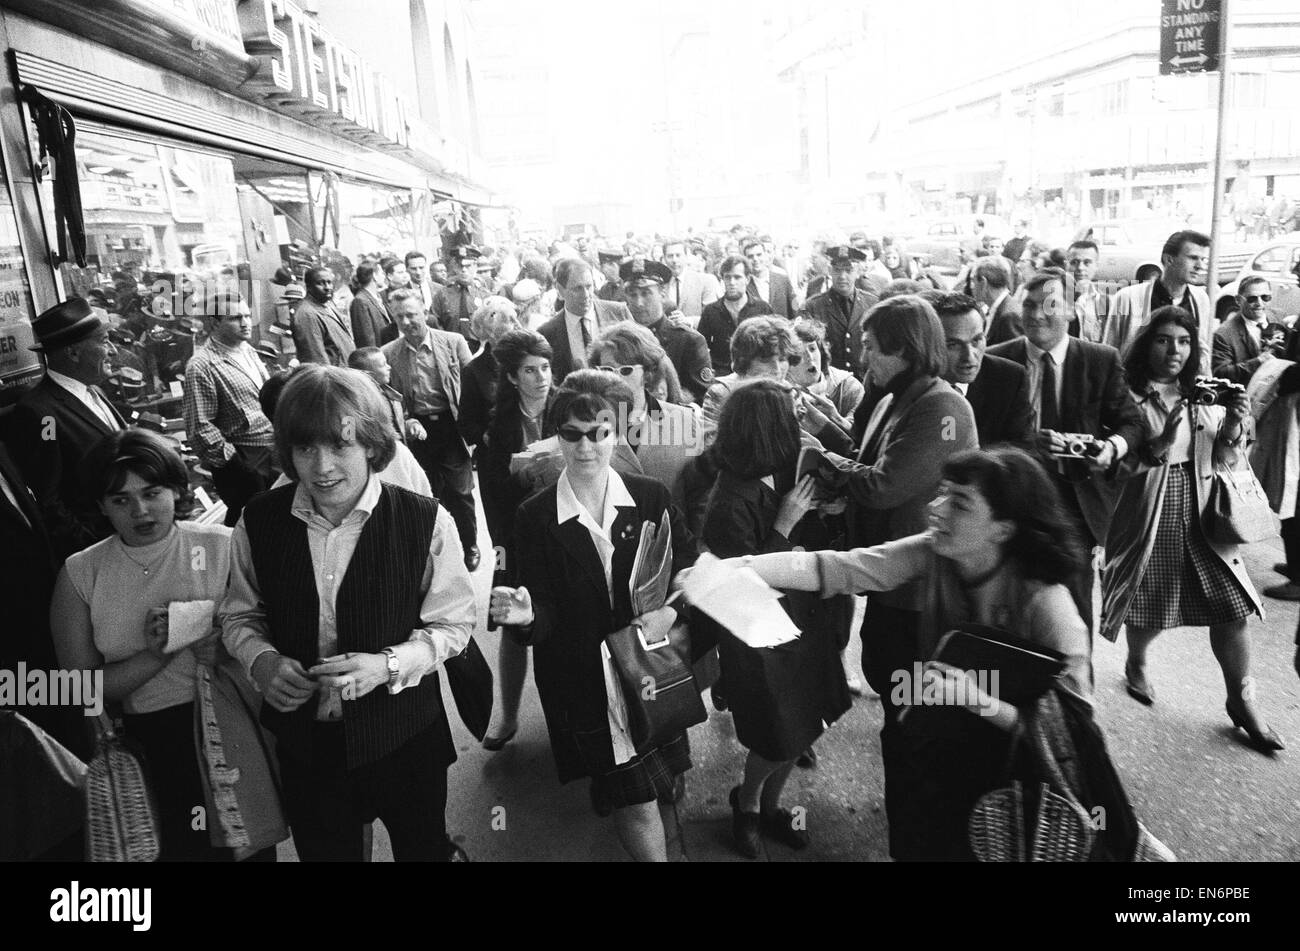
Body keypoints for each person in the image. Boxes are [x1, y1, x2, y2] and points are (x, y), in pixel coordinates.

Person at [695, 446, 1125, 860]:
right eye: (941, 492)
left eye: (959, 503)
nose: (935, 509)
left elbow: (1074, 730)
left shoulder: (1050, 607)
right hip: (949, 752)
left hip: (1017, 778)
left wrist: (977, 700)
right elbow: (842, 568)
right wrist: (738, 568)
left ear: (1004, 528)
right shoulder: (937, 551)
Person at [221, 365, 475, 861]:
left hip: (406, 738)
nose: (322, 467)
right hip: (307, 749)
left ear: (374, 446)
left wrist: (389, 665)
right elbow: (239, 615)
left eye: (340, 446)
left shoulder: (424, 520)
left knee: (423, 850)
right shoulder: (258, 521)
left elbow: (455, 623)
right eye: (305, 448)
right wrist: (262, 661)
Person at [489, 384, 696, 862]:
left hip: (649, 670)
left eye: (599, 432)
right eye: (572, 434)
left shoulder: (650, 496)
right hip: (588, 681)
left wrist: (672, 608)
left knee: (657, 785)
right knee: (638, 797)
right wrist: (529, 614)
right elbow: (544, 612)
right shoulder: (534, 517)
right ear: (555, 439)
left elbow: (688, 563)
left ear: (616, 433)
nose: (586, 446)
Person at [51, 428, 279, 860]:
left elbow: (277, 635)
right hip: (152, 743)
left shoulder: (225, 545)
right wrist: (160, 651)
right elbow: (81, 691)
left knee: (249, 853)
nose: (140, 510)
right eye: (120, 500)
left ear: (177, 489)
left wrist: (228, 647)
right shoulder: (80, 574)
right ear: (100, 505)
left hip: (236, 725)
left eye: (151, 492)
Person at [817, 294, 978, 859]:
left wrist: (819, 458)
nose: (859, 353)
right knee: (897, 701)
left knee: (915, 723)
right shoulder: (895, 396)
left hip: (921, 595)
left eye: (869, 345)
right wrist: (825, 433)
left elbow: (883, 484)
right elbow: (866, 457)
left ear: (903, 349)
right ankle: (912, 827)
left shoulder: (942, 409)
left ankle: (920, 837)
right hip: (894, 587)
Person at [1102, 307, 1282, 754]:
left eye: (1183, 342)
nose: (1174, 351)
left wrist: (1236, 422)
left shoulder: (1201, 391)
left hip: (1201, 504)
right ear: (1148, 344)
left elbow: (1224, 456)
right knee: (1148, 599)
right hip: (1147, 506)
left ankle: (1243, 703)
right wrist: (1160, 443)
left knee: (1232, 605)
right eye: (1164, 340)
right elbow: (1112, 467)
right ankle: (1137, 660)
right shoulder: (1124, 394)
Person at [701, 380, 851, 857]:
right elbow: (743, 589)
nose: (798, 427)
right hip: (761, 637)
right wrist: (784, 526)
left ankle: (769, 808)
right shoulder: (730, 500)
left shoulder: (783, 471)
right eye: (789, 419)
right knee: (776, 732)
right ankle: (746, 806)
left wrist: (828, 511)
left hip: (806, 620)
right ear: (766, 431)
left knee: (805, 723)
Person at [987, 269, 1143, 637]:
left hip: (1074, 505)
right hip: (1010, 498)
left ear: (1073, 310)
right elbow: (981, 433)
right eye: (1029, 305)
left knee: (1072, 605)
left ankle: (1074, 682)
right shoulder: (995, 361)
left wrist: (1109, 448)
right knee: (1005, 598)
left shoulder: (1100, 360)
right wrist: (1022, 445)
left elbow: (1132, 425)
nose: (1037, 315)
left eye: (1050, 305)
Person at [477, 330, 555, 750]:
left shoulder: (568, 407)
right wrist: (523, 475)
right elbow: (492, 496)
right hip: (518, 536)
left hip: (567, 528)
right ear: (511, 377)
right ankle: (507, 716)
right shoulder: (498, 429)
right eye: (530, 370)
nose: (541, 377)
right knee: (512, 620)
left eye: (545, 367)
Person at [3, 298, 124, 560]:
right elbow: (49, 500)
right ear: (73, 353)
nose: (113, 350)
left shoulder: (95, 391)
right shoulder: (40, 413)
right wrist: (93, 548)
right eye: (103, 341)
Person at [382, 289, 481, 570]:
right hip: (418, 433)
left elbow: (472, 384)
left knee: (460, 491)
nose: (406, 321)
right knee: (425, 494)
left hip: (451, 426)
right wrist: (407, 420)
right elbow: (391, 398)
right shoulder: (390, 353)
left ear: (424, 312)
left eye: (411, 314)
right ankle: (437, 552)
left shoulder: (453, 342)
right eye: (399, 316)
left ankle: (470, 544)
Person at [182, 291, 276, 527]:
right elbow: (200, 427)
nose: (245, 323)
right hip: (245, 457)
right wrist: (236, 465)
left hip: (272, 451)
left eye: (247, 316)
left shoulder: (248, 351)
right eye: (235, 318)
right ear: (214, 323)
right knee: (252, 527)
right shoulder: (201, 365)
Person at [589, 322, 702, 514]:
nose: (615, 378)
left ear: (648, 373)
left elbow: (699, 494)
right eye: (607, 370)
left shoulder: (684, 420)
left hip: (672, 535)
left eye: (625, 370)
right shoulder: (587, 425)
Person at [925, 290, 1033, 447]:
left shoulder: (1009, 379)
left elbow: (1021, 451)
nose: (969, 356)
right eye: (953, 345)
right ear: (932, 343)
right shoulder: (914, 380)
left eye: (976, 340)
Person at [1105, 230, 1213, 371]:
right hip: (1134, 386)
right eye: (1193, 258)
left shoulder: (1200, 299)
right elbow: (1109, 352)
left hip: (1180, 389)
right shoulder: (1128, 298)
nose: (1200, 266)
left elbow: (1202, 353)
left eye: (1203, 259)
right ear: (1169, 259)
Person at [700, 316, 804, 449]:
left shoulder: (791, 393)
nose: (777, 369)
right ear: (744, 360)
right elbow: (709, 447)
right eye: (765, 360)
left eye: (783, 359)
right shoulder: (722, 393)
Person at [620, 257, 713, 404]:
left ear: (662, 292)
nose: (639, 303)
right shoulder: (621, 340)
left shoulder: (689, 341)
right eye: (633, 294)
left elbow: (701, 398)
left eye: (646, 293)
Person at [538, 258, 635, 380]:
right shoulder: (547, 333)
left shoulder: (619, 313)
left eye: (589, 286)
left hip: (620, 397)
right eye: (577, 288)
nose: (586, 295)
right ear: (561, 290)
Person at [799, 245, 878, 374]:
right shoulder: (813, 306)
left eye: (848, 270)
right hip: (831, 382)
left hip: (864, 380)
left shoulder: (872, 303)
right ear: (830, 271)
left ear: (858, 272)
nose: (842, 276)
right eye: (837, 270)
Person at [458, 297, 523, 452]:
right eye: (510, 321)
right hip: (494, 456)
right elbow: (466, 423)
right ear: (490, 331)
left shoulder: (529, 361)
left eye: (516, 320)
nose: (518, 326)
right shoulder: (474, 370)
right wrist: (485, 437)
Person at [698, 255, 773, 376]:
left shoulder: (763, 309)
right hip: (721, 377)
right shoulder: (710, 311)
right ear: (722, 279)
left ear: (747, 279)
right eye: (728, 277)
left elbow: (771, 347)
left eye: (737, 277)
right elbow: (701, 347)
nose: (732, 282)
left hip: (754, 375)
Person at [790, 318, 864, 427]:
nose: (809, 357)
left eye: (812, 349)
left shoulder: (849, 387)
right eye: (800, 352)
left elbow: (862, 436)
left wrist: (836, 418)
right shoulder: (780, 393)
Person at [1212, 275, 1274, 386]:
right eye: (1252, 299)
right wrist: (1258, 362)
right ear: (1238, 300)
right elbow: (1219, 373)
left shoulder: (1280, 319)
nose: (1259, 303)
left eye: (1265, 297)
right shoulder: (1223, 335)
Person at [291, 266, 355, 366]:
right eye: (321, 283)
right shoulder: (306, 314)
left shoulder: (327, 304)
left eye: (329, 282)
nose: (327, 287)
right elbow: (316, 358)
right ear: (308, 287)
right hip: (334, 376)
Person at [431, 245, 489, 342]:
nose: (464, 270)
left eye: (468, 266)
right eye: (460, 266)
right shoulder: (442, 295)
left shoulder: (485, 295)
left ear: (475, 267)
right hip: (451, 348)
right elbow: (435, 324)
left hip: (480, 349)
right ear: (454, 267)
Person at [661, 237, 720, 319]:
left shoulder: (705, 281)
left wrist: (689, 321)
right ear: (664, 259)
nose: (674, 260)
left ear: (686, 257)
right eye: (670, 256)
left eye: (678, 255)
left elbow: (712, 317)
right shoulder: (661, 284)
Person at [970, 256, 1020, 346]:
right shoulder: (994, 310)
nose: (971, 286)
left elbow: (1014, 355)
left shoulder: (1009, 317)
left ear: (983, 283)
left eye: (973, 281)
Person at [743, 237, 795, 318]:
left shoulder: (783, 280)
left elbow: (795, 308)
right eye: (750, 256)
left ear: (765, 255)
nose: (755, 259)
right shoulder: (744, 285)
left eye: (759, 255)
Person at [1066, 240, 1107, 344]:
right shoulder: (1053, 298)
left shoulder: (1104, 302)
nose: (1080, 268)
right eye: (1074, 262)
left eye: (1087, 262)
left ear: (1096, 265)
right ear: (1066, 265)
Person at [349, 262, 394, 348]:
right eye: (381, 273)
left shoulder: (377, 297)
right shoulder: (360, 301)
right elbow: (366, 338)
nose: (384, 276)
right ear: (374, 276)